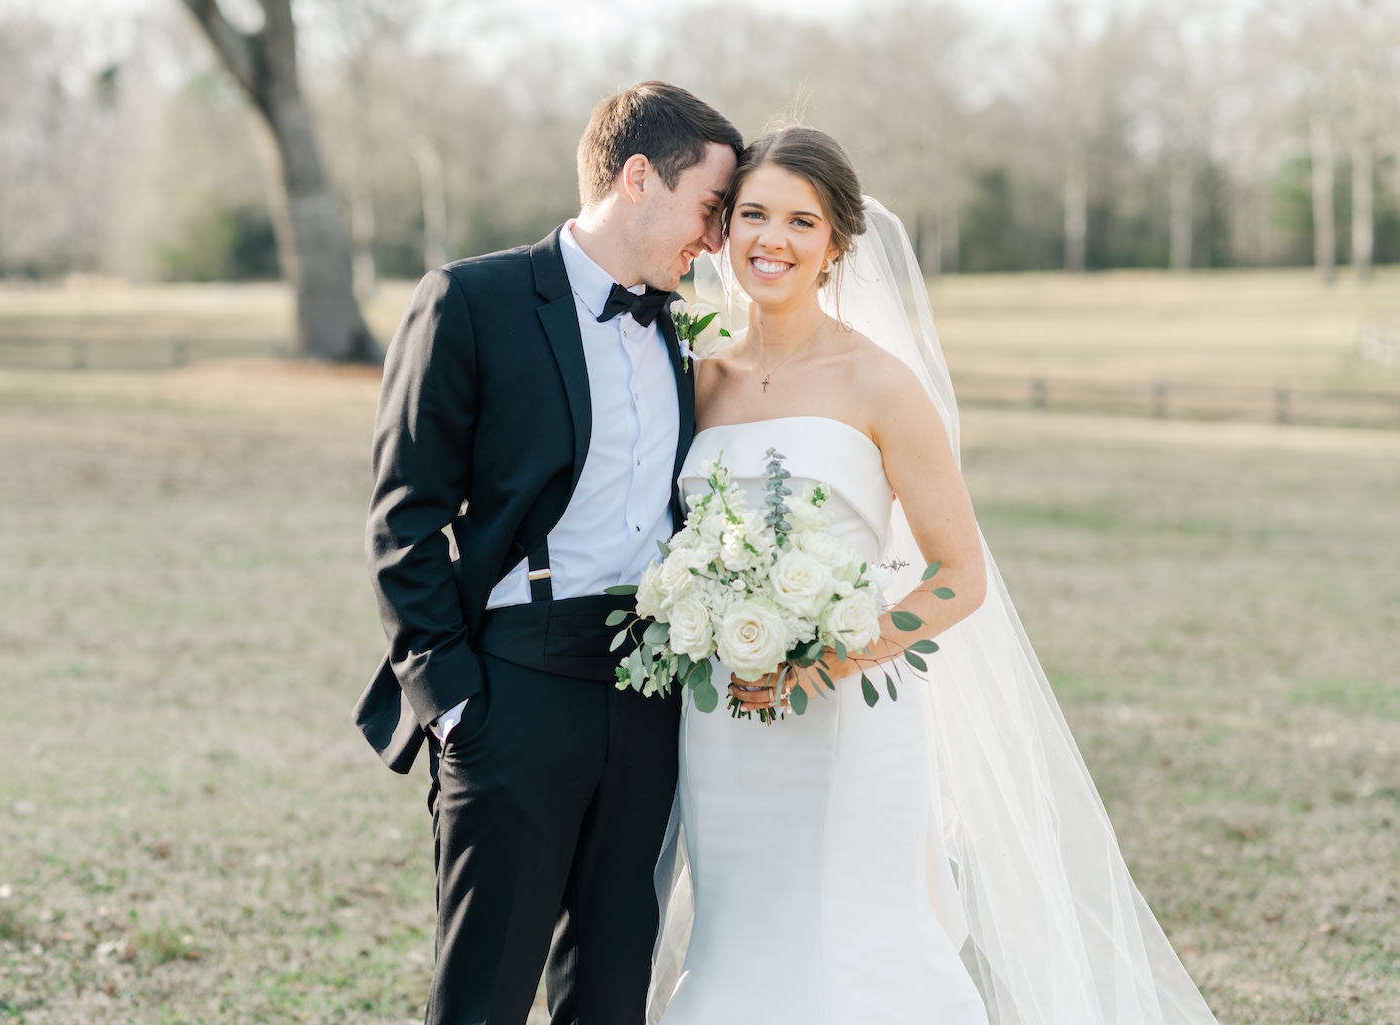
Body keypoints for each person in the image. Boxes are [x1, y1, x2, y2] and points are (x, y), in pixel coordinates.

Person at [650, 126, 1222, 1025]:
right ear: (723, 230)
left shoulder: (881, 383)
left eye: (801, 221)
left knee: (855, 940)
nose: (773, 239)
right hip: (723, 714)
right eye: (753, 213)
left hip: (846, 715)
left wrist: (831, 658)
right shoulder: (698, 377)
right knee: (737, 931)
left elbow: (960, 576)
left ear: (836, 243)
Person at [354, 82, 741, 1025]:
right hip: (512, 691)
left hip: (649, 696)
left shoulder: (690, 330)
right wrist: (453, 705)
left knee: (611, 993)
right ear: (639, 177)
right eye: (710, 209)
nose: (717, 240)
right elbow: (404, 516)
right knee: (485, 996)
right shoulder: (469, 300)